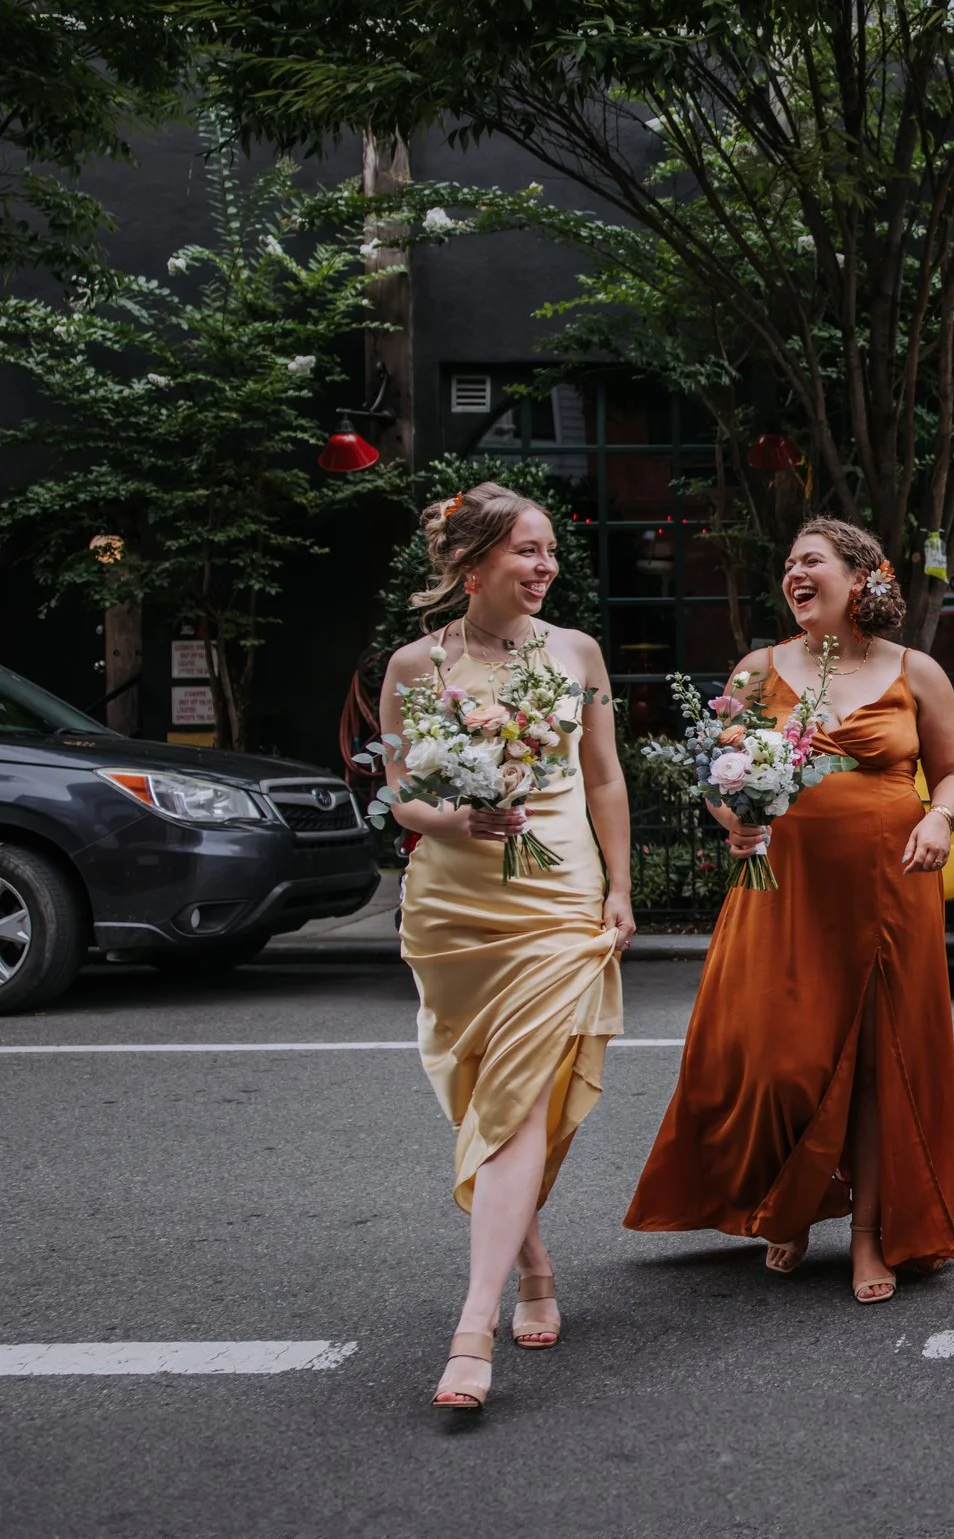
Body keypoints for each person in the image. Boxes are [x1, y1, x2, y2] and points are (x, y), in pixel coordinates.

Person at [624, 517, 954, 1302]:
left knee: (883, 1068)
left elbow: (953, 775)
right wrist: (735, 819)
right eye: (788, 562)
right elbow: (722, 776)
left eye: (810, 560)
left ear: (860, 578)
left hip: (889, 891)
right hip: (781, 893)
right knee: (778, 1060)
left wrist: (937, 818)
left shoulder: (917, 672)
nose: (794, 573)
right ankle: (793, 1200)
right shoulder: (757, 670)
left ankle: (872, 1234)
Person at [380, 483, 634, 1411]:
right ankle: (529, 1256)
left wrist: (620, 885)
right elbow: (401, 795)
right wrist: (456, 818)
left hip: (558, 894)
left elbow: (603, 775)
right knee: (481, 1093)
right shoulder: (415, 663)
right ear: (473, 563)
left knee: (522, 1099)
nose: (546, 567)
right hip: (453, 907)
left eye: (551, 552)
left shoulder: (578, 651)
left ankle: (472, 1326)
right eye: (528, 551)